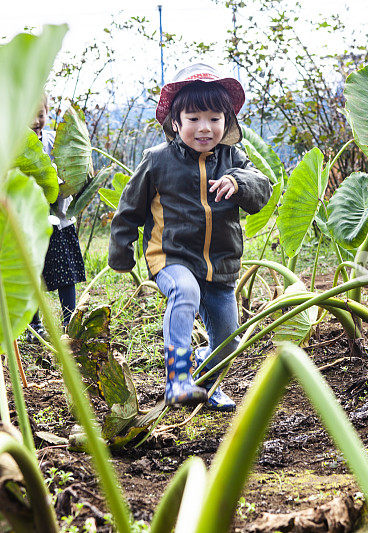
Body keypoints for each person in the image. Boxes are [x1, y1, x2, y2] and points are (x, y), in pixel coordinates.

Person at [108, 64, 272, 411]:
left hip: (220, 265)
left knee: (229, 342)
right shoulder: (158, 161)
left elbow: (262, 191)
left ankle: (205, 384)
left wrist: (239, 182)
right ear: (176, 122)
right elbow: (129, 208)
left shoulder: (234, 158)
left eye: (214, 118)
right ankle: (177, 379)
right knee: (185, 291)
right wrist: (121, 253)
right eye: (194, 118)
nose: (204, 128)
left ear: (227, 123)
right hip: (171, 256)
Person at [28, 94, 86, 340]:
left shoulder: (55, 141)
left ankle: (68, 320)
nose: (35, 121)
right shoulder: (14, 146)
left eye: (40, 115)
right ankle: (34, 326)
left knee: (66, 275)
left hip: (59, 219)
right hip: (29, 222)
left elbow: (71, 166)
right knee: (30, 276)